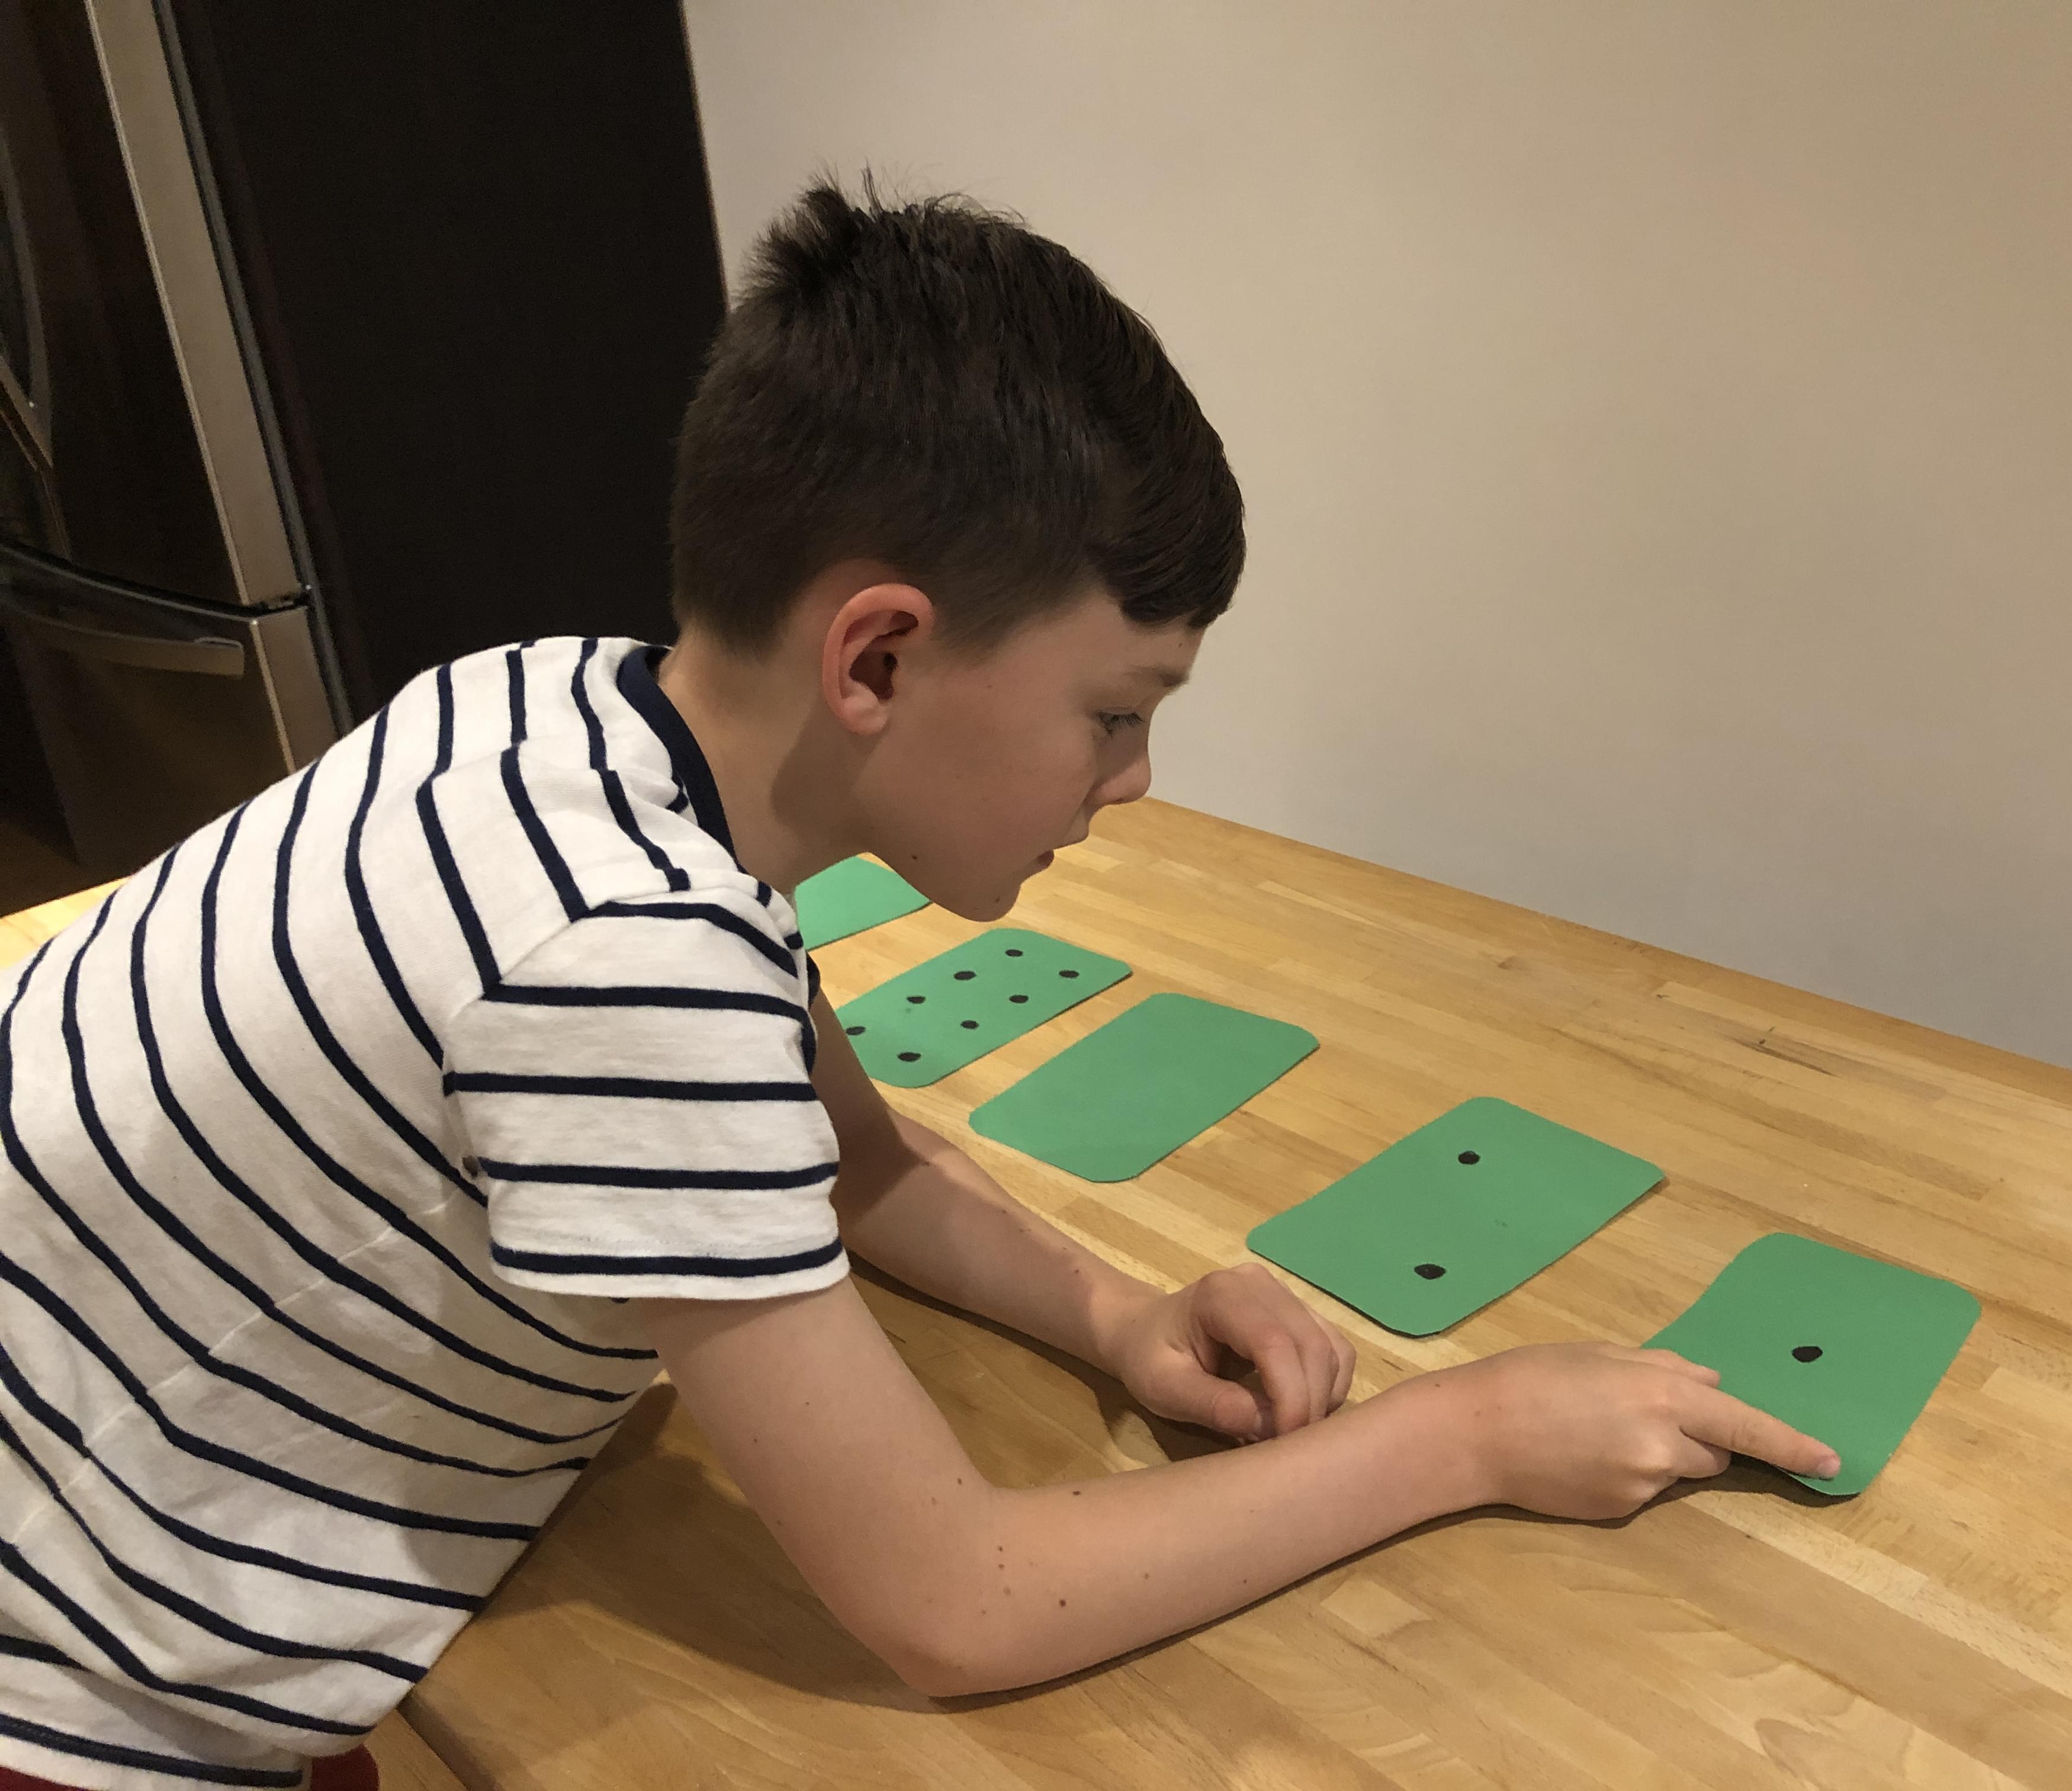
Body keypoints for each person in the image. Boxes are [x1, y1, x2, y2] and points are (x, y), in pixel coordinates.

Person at [0, 177, 1837, 1790]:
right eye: (1113, 716)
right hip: (83, 1686)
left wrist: (1117, 1323)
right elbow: (956, 1605)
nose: (1132, 784)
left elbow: (849, 1163)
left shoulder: (556, 701)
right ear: (878, 653)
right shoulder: (625, 970)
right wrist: (1476, 1431)